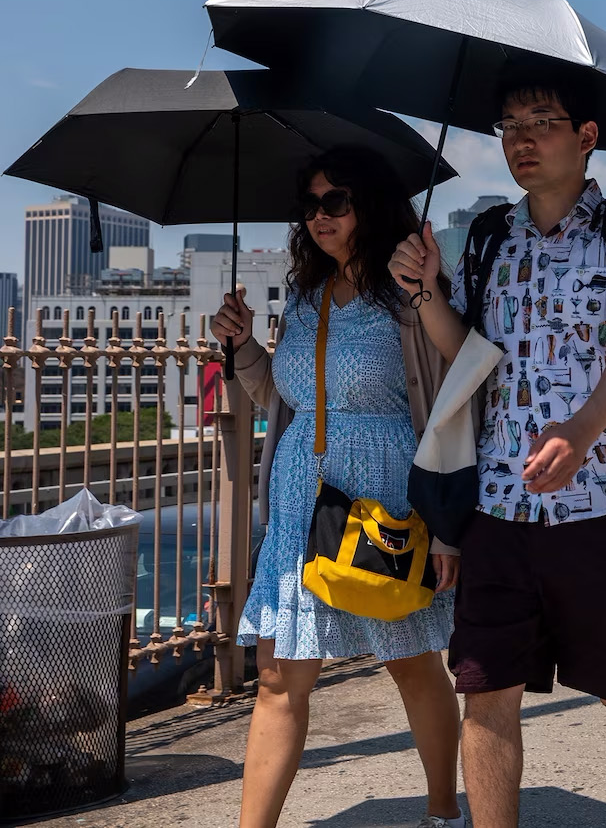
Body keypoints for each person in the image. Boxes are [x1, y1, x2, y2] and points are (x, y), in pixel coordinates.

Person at [389, 69, 606, 828]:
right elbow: (469, 352)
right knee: (485, 686)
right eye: (509, 125)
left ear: (586, 138)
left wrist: (581, 430)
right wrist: (425, 291)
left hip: (605, 496)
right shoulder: (488, 234)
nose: (521, 139)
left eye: (541, 121)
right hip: (499, 502)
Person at [214, 147, 465, 828]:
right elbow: (286, 397)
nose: (319, 216)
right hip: (303, 499)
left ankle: (445, 811)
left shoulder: (408, 291)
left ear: (371, 206)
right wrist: (242, 349)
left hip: (387, 494)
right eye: (312, 204)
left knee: (411, 663)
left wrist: (447, 528)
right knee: (277, 675)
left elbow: (453, 397)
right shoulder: (305, 296)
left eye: (336, 201)